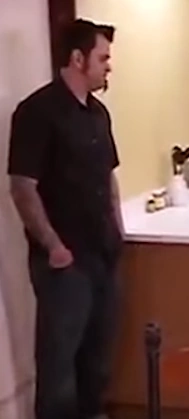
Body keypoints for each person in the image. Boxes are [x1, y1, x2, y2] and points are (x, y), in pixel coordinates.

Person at [8, 19, 123, 419]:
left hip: (103, 255)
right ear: (78, 59)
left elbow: (108, 177)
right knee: (59, 368)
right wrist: (54, 247)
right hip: (65, 264)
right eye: (103, 58)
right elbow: (22, 187)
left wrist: (118, 230)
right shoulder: (36, 112)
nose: (109, 66)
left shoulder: (99, 113)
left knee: (98, 361)